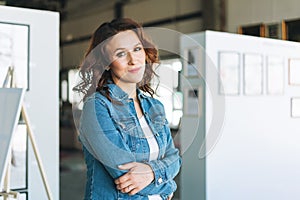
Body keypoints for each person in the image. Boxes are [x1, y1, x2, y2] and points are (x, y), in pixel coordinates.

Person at [73, 18, 181, 200]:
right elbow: (125, 177)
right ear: (106, 63)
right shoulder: (97, 106)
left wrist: (152, 173)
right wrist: (168, 185)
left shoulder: (155, 106)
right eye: (121, 54)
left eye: (137, 49)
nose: (133, 60)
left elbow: (174, 158)